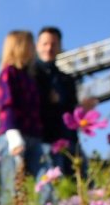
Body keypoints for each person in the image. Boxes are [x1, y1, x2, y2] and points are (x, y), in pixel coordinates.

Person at [0, 31, 45, 205]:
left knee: (44, 181)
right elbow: (6, 104)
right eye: (31, 45)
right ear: (20, 47)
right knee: (13, 189)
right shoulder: (8, 73)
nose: (34, 49)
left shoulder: (30, 78)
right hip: (14, 136)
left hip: (34, 135)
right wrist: (12, 133)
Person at [30, 26, 87, 179]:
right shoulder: (30, 76)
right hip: (45, 142)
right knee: (53, 190)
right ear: (37, 46)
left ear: (59, 47)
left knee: (80, 184)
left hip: (70, 142)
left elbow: (72, 109)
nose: (49, 48)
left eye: (53, 44)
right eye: (45, 44)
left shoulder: (66, 79)